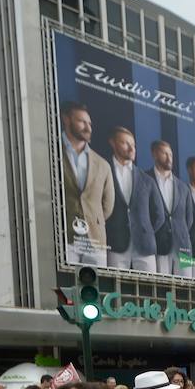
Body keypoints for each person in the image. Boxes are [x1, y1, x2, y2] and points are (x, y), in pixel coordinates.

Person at [58, 101, 114, 266]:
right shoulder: (51, 151)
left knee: (95, 291)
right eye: (82, 122)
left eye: (89, 123)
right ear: (66, 119)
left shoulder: (102, 164)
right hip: (64, 237)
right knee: (66, 290)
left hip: (95, 240)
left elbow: (108, 205)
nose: (88, 127)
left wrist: (91, 218)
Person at [104, 125, 163, 271]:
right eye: (125, 143)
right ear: (112, 142)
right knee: (115, 290)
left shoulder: (147, 180)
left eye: (133, 145)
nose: (131, 149)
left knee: (150, 291)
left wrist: (143, 229)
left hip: (145, 246)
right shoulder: (104, 170)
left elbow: (159, 215)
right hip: (115, 244)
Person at [148, 139, 195, 276]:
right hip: (158, 245)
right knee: (162, 291)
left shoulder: (183, 187)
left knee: (186, 291)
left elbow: (189, 220)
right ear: (155, 154)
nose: (169, 158)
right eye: (164, 153)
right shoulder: (145, 179)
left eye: (171, 154)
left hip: (183, 246)